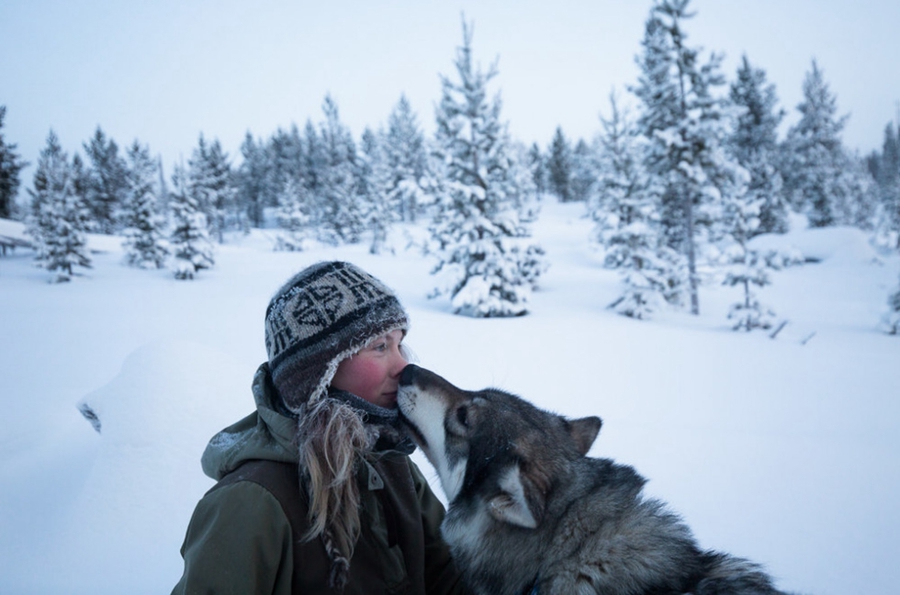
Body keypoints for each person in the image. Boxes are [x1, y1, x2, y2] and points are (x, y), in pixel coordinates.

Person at [172, 261, 469, 594]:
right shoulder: (249, 504)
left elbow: (449, 577)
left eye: (399, 344)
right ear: (316, 372)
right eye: (380, 347)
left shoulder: (388, 460)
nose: (403, 365)